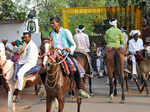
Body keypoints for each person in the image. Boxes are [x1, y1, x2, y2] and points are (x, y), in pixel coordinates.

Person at [49, 17, 89, 98]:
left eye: (53, 23)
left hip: (66, 54)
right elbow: (51, 45)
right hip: (55, 55)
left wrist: (69, 49)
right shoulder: (51, 34)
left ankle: (80, 89)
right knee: (45, 68)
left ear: (58, 23)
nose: (52, 25)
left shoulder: (66, 32)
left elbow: (73, 44)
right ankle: (47, 89)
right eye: (51, 23)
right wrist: (52, 49)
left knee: (75, 67)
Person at [13, 32, 39, 99]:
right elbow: (24, 56)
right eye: (24, 37)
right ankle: (15, 88)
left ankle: (19, 93)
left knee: (20, 74)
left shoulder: (31, 46)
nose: (25, 39)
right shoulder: (27, 44)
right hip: (26, 61)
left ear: (30, 37)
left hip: (30, 63)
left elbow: (28, 58)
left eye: (26, 37)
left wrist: (19, 62)